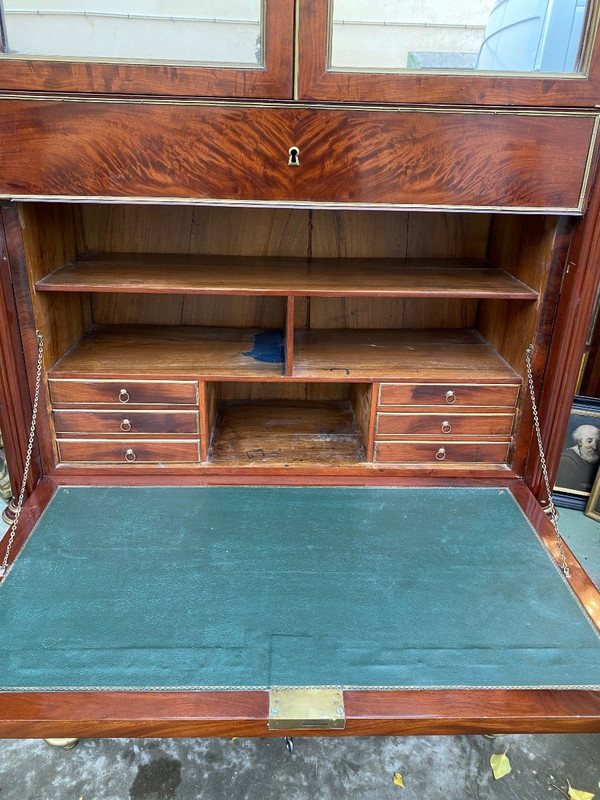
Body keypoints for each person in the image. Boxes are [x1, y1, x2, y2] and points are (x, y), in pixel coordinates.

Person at [555, 423, 600, 493]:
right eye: (589, 441)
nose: (594, 447)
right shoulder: (567, 461)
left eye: (597, 442)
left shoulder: (591, 457)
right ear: (579, 442)